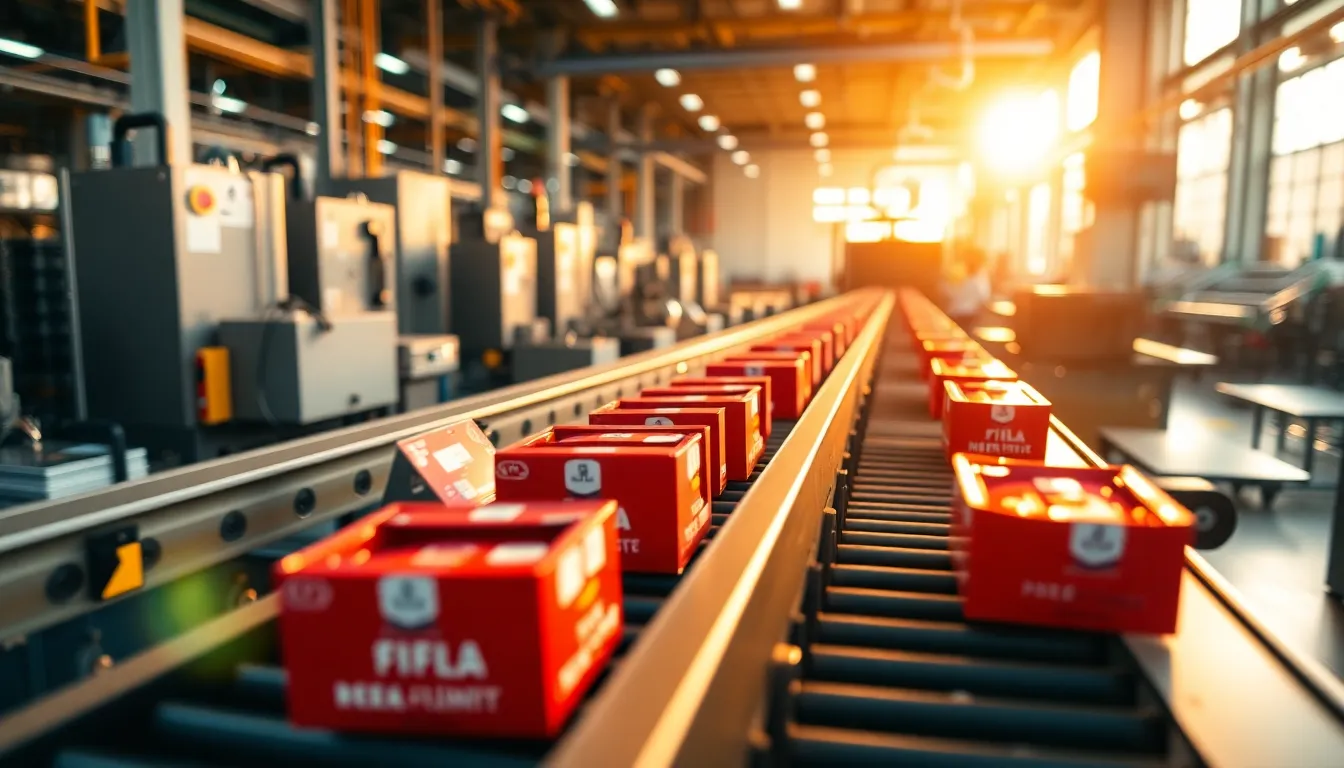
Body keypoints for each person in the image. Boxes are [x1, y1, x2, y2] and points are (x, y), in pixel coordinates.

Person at [942, 247, 992, 328]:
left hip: (966, 315)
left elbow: (983, 297)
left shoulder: (979, 277)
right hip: (959, 313)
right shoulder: (963, 274)